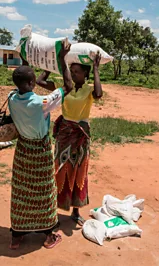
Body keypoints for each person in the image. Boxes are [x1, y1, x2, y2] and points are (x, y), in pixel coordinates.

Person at [7, 40, 73, 250]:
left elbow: (24, 75)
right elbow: (68, 87)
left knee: (22, 191)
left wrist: (27, 58)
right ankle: (49, 234)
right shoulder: (41, 104)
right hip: (40, 151)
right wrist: (62, 58)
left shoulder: (11, 97)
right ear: (32, 81)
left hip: (22, 150)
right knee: (44, 191)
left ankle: (17, 234)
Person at [36, 52, 103, 226]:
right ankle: (55, 211)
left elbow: (98, 94)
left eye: (76, 72)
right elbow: (40, 81)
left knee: (79, 171)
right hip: (65, 133)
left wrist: (96, 69)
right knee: (60, 169)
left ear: (85, 75)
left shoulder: (89, 89)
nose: (73, 75)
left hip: (80, 135)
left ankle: (76, 210)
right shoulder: (64, 87)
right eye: (71, 71)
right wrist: (52, 65)